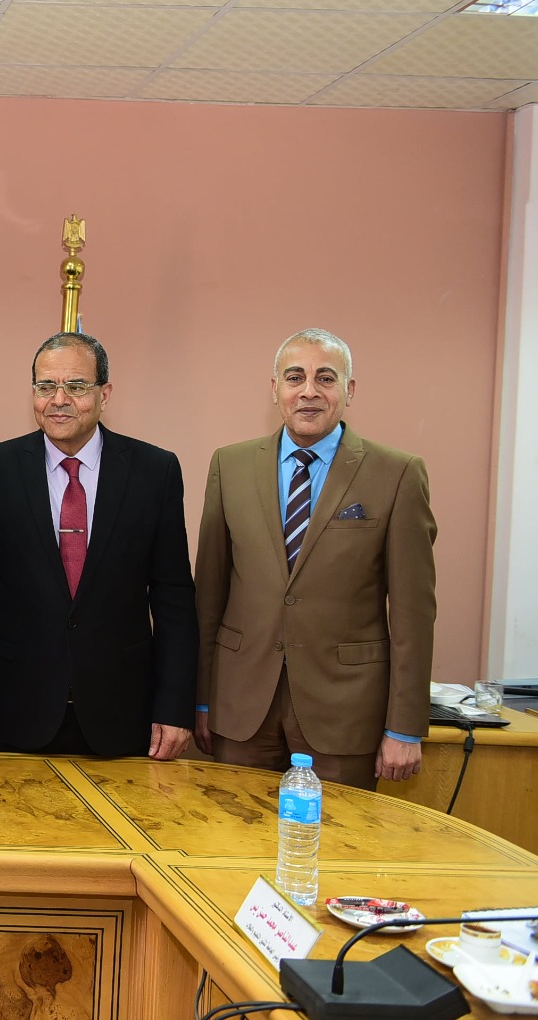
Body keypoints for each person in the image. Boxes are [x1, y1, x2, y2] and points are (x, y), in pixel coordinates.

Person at [195, 328, 436, 789]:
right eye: (294, 377)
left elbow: (413, 613)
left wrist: (404, 727)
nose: (309, 391)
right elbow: (209, 595)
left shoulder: (398, 473)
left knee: (340, 833)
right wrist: (202, 699)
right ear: (275, 389)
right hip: (240, 707)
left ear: (349, 390)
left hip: (345, 713)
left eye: (325, 378)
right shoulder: (230, 465)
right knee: (230, 828)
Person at [0, 332, 196, 758]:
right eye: (46, 386)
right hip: (17, 709)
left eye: (76, 386)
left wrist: (174, 707)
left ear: (105, 393)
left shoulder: (154, 471)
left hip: (122, 711)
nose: (59, 400)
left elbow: (173, 598)